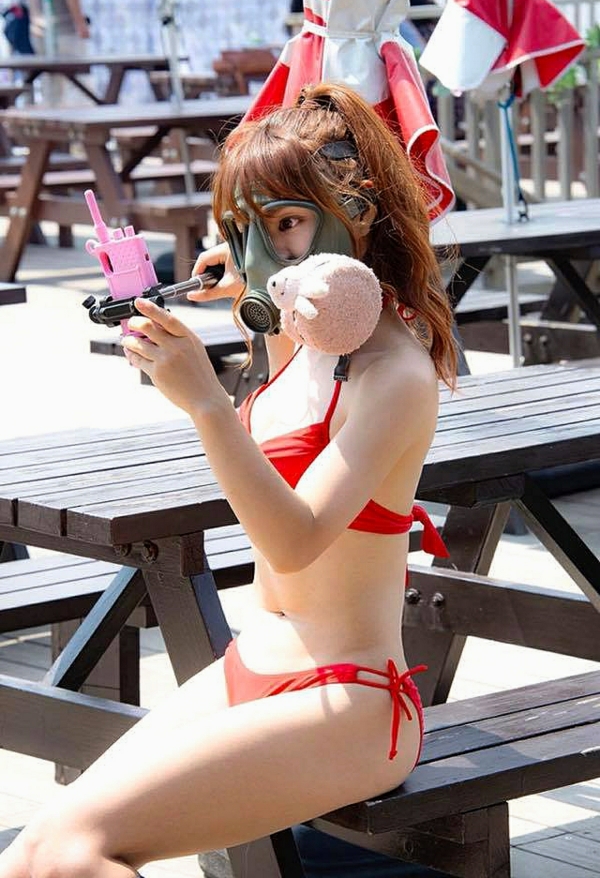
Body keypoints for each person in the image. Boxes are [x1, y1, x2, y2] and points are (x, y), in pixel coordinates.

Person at [0, 81, 457, 878]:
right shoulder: (301, 339)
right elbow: (274, 324)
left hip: (352, 699)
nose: (264, 253)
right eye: (243, 228)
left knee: (74, 857)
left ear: (356, 214)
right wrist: (239, 283)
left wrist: (208, 403)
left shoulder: (395, 373)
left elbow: (295, 541)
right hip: (256, 662)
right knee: (37, 851)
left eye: (285, 223)